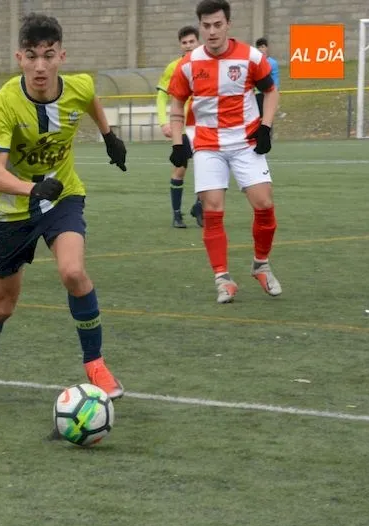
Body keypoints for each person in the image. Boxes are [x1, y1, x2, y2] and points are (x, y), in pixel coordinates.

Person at [0, 13, 128, 401]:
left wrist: (108, 136)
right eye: (32, 56)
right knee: (2, 306)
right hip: (13, 208)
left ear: (62, 56)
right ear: (19, 57)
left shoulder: (79, 86)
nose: (40, 66)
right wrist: (34, 187)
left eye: (49, 55)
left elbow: (90, 100)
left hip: (63, 196)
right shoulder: (3, 102)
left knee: (72, 272)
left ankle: (96, 366)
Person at [167, 0, 281, 304]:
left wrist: (266, 127)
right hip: (208, 145)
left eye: (218, 24)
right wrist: (178, 143)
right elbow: (176, 105)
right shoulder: (188, 64)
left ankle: (261, 264)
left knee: (265, 204)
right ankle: (223, 278)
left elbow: (270, 91)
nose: (212, 31)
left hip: (246, 142)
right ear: (200, 26)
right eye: (206, 25)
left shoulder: (251, 56)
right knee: (213, 209)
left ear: (228, 24)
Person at [156, 25, 204, 228]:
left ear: (198, 42)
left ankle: (199, 208)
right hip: (182, 129)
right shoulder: (174, 67)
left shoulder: (208, 64)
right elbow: (161, 95)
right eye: (184, 42)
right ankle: (177, 214)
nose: (188, 45)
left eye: (191, 41)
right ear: (180, 45)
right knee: (180, 170)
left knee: (208, 172)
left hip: (205, 127)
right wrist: (163, 122)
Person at [254, 37, 280, 118]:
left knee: (268, 119)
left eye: (262, 47)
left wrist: (275, 95)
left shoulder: (273, 63)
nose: (260, 49)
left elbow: (276, 80)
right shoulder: (254, 62)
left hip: (268, 94)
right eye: (258, 47)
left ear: (266, 48)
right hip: (256, 94)